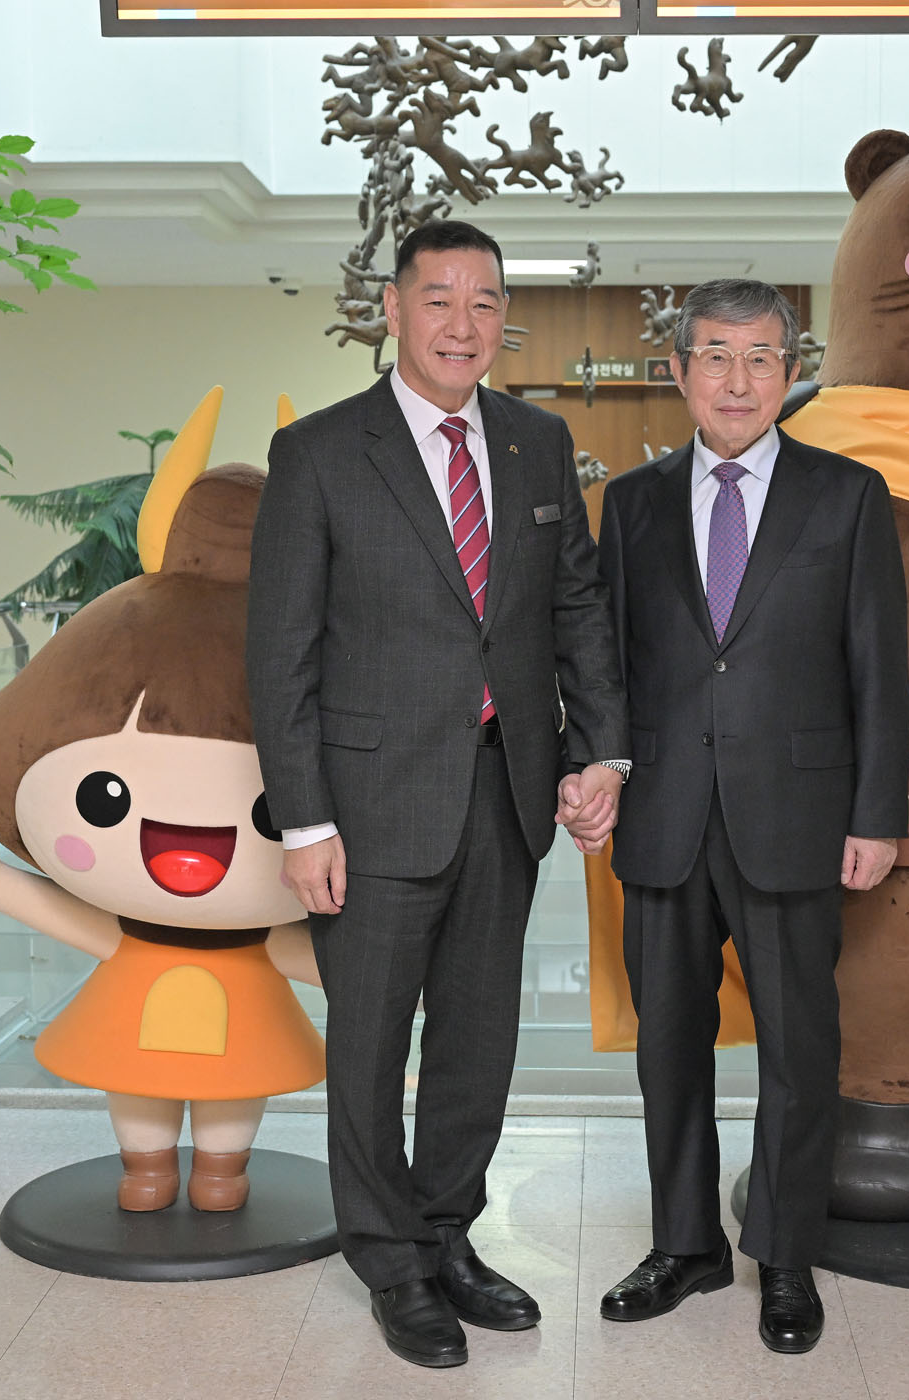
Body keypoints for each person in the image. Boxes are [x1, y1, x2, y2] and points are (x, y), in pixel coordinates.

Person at [247, 220, 629, 1370]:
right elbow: (281, 651)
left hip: (506, 787)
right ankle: (390, 1258)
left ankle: (448, 1230)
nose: (464, 324)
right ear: (394, 310)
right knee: (369, 1043)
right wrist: (306, 818)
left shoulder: (536, 441)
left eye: (485, 302)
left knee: (478, 1033)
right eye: (440, 299)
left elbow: (573, 608)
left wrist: (602, 752)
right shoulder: (320, 451)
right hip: (367, 805)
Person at [594, 279, 909, 1353]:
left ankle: (783, 1255)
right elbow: (610, 665)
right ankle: (683, 1243)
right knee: (669, 1047)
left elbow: (879, 664)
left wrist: (876, 814)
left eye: (761, 358)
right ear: (680, 371)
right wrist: (598, 769)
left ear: (790, 372)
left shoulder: (847, 495)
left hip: (800, 812)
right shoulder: (632, 504)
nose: (738, 380)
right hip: (665, 814)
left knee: (798, 1049)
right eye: (717, 357)